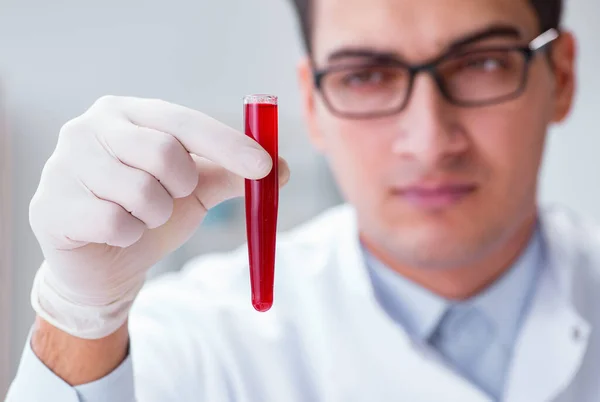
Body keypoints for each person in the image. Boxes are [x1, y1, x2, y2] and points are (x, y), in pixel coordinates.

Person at [6, 0, 600, 400]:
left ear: (564, 77)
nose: (428, 142)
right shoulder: (203, 336)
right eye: (365, 76)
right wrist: (81, 316)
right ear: (312, 107)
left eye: (484, 64)